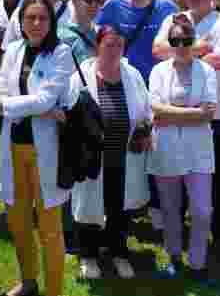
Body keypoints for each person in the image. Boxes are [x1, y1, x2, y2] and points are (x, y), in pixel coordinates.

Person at [0, 0, 75, 296]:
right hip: (13, 145)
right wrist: (35, 107)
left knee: (50, 227)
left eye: (43, 18)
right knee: (18, 221)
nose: (36, 24)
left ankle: (54, 291)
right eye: (30, 18)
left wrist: (7, 106)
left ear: (51, 22)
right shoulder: (13, 50)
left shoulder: (61, 53)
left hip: (45, 150)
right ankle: (28, 282)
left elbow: (45, 99)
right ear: (21, 21)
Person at [69, 24, 152, 281]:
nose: (114, 50)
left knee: (120, 206)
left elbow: (147, 109)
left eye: (119, 45)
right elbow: (69, 112)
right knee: (89, 205)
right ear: (98, 46)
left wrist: (145, 128)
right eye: (109, 45)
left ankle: (118, 252)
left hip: (125, 154)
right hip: (92, 156)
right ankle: (88, 255)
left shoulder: (133, 75)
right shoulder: (81, 76)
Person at [147, 15, 217, 281]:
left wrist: (171, 113)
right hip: (165, 149)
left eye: (186, 41)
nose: (180, 46)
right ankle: (174, 256)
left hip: (198, 151)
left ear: (193, 41)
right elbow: (155, 108)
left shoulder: (206, 71)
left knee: (202, 211)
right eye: (175, 41)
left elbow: (209, 113)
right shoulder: (158, 71)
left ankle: (198, 262)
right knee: (170, 209)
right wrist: (193, 113)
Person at [96, 0, 179, 83]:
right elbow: (99, 40)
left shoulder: (168, 8)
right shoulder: (114, 5)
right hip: (125, 80)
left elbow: (181, 42)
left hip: (159, 80)